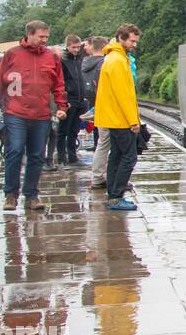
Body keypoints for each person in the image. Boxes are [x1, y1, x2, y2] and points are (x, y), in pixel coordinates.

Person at [0, 20, 68, 212]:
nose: (44, 40)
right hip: (16, 112)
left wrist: (61, 105)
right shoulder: (12, 55)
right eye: (41, 37)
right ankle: (10, 194)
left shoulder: (51, 57)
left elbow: (58, 83)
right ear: (29, 34)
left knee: (37, 155)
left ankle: (31, 195)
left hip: (41, 114)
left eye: (46, 37)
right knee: (14, 151)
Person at [95, 23, 142, 211]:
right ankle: (116, 196)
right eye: (132, 41)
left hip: (113, 117)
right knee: (129, 158)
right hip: (120, 118)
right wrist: (133, 121)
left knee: (116, 155)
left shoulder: (115, 57)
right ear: (121, 38)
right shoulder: (117, 61)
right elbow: (123, 94)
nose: (134, 45)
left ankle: (112, 194)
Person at [82, 36, 109, 185]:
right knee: (106, 142)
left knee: (101, 142)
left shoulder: (84, 63)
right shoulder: (105, 63)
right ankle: (101, 176)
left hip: (91, 103)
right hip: (105, 106)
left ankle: (98, 175)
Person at [58, 33, 87, 164]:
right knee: (63, 130)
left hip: (80, 99)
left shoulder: (79, 59)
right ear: (67, 46)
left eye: (77, 47)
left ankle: (72, 157)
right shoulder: (63, 60)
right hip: (69, 99)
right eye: (73, 47)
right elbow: (60, 81)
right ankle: (61, 157)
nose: (76, 49)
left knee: (74, 130)